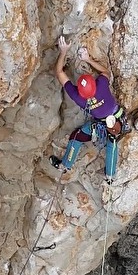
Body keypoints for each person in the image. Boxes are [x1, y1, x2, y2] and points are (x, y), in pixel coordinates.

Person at [51, 36, 126, 183]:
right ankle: (110, 175)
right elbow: (105, 72)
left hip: (99, 126)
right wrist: (87, 59)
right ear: (94, 83)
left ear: (79, 90)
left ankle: (65, 165)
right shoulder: (101, 86)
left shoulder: (77, 97)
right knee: (112, 140)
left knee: (77, 135)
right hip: (118, 119)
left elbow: (59, 72)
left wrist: (63, 51)